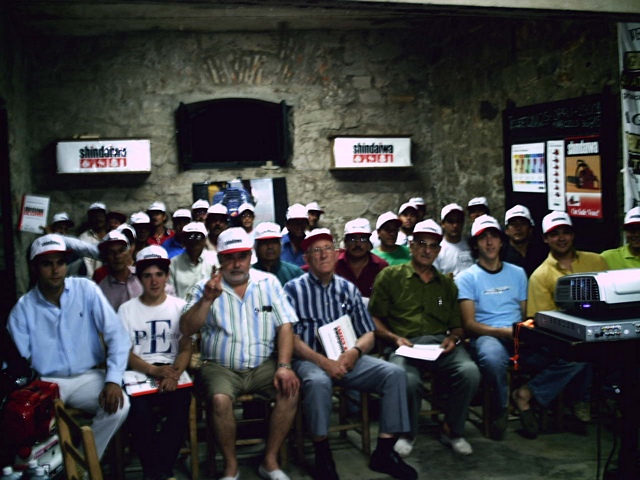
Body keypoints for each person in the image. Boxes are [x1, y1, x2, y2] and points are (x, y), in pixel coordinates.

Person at [284, 228, 417, 480]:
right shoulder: (292, 290)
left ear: (337, 255)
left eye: (327, 249)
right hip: (310, 359)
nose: (323, 255)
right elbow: (290, 337)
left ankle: (385, 452)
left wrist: (355, 352)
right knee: (317, 381)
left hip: (347, 358)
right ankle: (323, 454)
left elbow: (368, 332)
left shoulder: (348, 289)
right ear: (307, 259)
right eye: (316, 251)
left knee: (395, 374)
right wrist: (323, 362)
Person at [457, 215, 591, 440]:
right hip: (488, 335)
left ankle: (527, 394)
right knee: (492, 358)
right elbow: (469, 325)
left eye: (493, 237)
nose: (489, 243)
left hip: (519, 334)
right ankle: (500, 407)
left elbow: (525, 312)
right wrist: (501, 332)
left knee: (575, 353)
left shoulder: (517, 273)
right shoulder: (466, 278)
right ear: (475, 244)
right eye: (483, 239)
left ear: (501, 241)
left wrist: (526, 332)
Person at [181, 227, 299, 480]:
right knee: (220, 401)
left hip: (262, 364)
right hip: (220, 365)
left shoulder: (268, 283)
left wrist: (284, 366)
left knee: (289, 390)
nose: (236, 264)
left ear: (250, 256)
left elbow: (285, 325)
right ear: (220, 260)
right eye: (229, 257)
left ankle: (270, 460)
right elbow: (186, 328)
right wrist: (206, 301)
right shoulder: (204, 287)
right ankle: (231, 465)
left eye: (242, 256)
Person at [8, 234, 130, 459]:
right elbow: (21, 364)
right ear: (35, 268)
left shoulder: (85, 289)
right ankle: (48, 467)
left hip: (88, 376)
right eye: (47, 264)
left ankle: (84, 462)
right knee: (25, 420)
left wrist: (113, 379)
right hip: (46, 383)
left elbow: (117, 334)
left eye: (60, 263)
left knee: (120, 405)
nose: (56, 270)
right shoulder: (22, 309)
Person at [370, 220, 480, 458]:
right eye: (421, 244)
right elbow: (374, 318)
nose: (426, 250)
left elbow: (457, 327)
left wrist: (454, 339)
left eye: (432, 246)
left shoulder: (446, 286)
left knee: (470, 371)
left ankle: (452, 429)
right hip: (404, 344)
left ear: (439, 250)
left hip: (440, 345)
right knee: (406, 379)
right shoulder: (390, 277)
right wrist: (393, 337)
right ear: (411, 245)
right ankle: (407, 433)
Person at [118, 246, 193, 480]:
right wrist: (153, 370)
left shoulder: (180, 307)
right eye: (147, 276)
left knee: (180, 406)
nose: (154, 281)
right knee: (139, 412)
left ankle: (159, 470)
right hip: (141, 372)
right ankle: (157, 472)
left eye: (159, 274)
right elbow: (125, 353)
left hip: (173, 371)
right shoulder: (127, 310)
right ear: (139, 278)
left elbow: (186, 347)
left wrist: (172, 375)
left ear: (167, 276)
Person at [527, 211, 608, 317]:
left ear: (573, 235)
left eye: (566, 232)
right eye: (555, 234)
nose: (561, 238)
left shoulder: (596, 260)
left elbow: (610, 298)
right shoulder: (539, 276)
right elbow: (544, 319)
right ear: (545, 239)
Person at [334, 218, 388, 299]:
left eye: (363, 239)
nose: (358, 244)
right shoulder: (334, 263)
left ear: (368, 243)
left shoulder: (380, 266)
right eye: (353, 239)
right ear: (345, 242)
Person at [95, 230, 142, 311]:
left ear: (128, 253)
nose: (117, 256)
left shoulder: (142, 276)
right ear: (106, 257)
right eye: (111, 252)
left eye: (121, 251)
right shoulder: (101, 290)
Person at [169, 222, 218, 298]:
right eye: (190, 237)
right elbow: (170, 294)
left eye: (198, 237)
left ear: (205, 240)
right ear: (183, 240)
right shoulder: (173, 263)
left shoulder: (214, 258)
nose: (194, 240)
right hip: (182, 308)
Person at [252, 221, 304, 286]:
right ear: (256, 246)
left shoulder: (294, 273)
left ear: (280, 244)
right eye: (264, 242)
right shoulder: (249, 274)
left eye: (274, 242)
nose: (270, 247)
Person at [501, 205, 548, 277]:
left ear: (530, 229)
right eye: (513, 224)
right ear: (506, 230)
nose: (518, 228)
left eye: (522, 224)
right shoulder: (500, 256)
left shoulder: (542, 254)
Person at [434, 203, 474, 277]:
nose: (455, 225)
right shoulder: (437, 250)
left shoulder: (472, 246)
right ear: (442, 224)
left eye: (458, 221)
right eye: (450, 221)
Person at [79, 202, 109, 278]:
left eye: (101, 215)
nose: (98, 218)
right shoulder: (84, 238)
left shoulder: (112, 236)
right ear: (90, 218)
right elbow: (86, 264)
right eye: (95, 216)